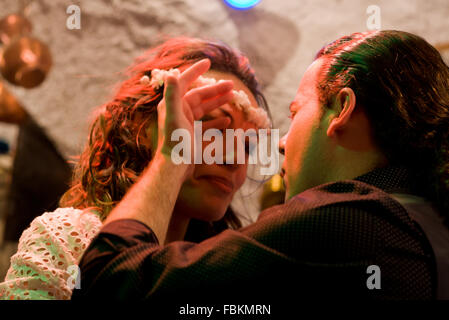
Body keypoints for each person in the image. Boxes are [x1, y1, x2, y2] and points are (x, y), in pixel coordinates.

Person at [72, 30, 449, 302]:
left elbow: (110, 282)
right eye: (210, 126)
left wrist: (175, 154)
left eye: (295, 112)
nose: (281, 144)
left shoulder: (344, 219)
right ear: (147, 127)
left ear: (342, 109)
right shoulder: (427, 218)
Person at [0, 37, 271, 300]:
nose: (234, 159)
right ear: (141, 127)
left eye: (248, 146)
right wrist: (171, 158)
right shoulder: (69, 240)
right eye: (211, 129)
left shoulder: (221, 271)